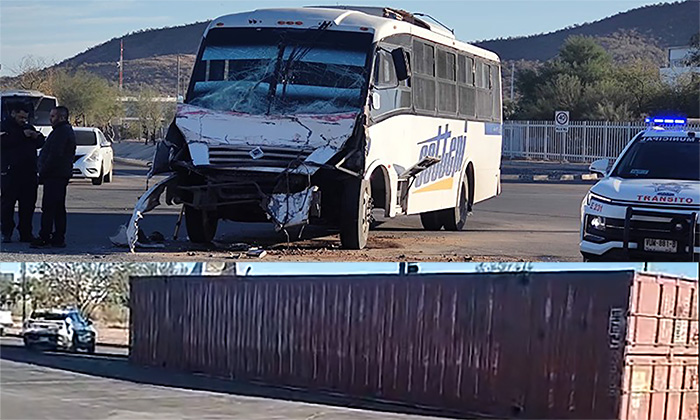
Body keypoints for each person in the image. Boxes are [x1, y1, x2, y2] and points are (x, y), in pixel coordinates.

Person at [31, 106, 76, 248]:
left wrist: (43, 172)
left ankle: (46, 236)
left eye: (53, 116)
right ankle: (57, 237)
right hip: (57, 174)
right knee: (57, 208)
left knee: (50, 207)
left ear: (62, 117)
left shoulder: (62, 132)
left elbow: (55, 155)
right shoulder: (59, 131)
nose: (50, 119)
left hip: (55, 175)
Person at [1, 103, 45, 243]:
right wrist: (21, 135)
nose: (23, 120)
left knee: (28, 206)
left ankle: (26, 233)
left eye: (25, 117)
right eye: (20, 117)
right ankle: (6, 232)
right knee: (7, 205)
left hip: (29, 174)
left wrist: (36, 136)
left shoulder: (28, 127)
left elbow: (40, 142)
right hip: (10, 173)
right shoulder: (4, 127)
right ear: (13, 114)